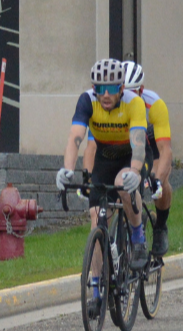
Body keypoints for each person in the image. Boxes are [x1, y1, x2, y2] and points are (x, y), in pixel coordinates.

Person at [57, 58, 149, 247]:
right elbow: (75, 138)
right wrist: (67, 169)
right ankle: (97, 277)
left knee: (122, 183)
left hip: (129, 157)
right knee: (96, 218)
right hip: (104, 159)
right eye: (100, 89)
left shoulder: (134, 103)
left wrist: (135, 171)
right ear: (93, 88)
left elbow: (139, 144)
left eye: (112, 89)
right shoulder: (87, 100)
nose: (106, 95)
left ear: (122, 88)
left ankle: (138, 235)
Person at [122, 60, 173, 266]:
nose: (126, 97)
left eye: (132, 92)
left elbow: (165, 150)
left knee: (157, 179)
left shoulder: (155, 105)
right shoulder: (110, 102)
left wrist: (157, 180)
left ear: (141, 90)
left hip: (151, 141)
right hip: (125, 141)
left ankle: (160, 226)